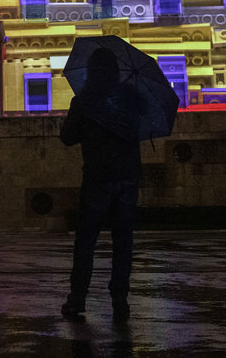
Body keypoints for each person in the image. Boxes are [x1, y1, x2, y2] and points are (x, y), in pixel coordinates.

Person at [60, 47, 139, 323]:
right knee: (123, 241)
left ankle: (78, 296)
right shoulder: (131, 96)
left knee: (86, 241)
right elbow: (140, 126)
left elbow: (67, 137)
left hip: (97, 177)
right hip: (128, 177)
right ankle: (120, 299)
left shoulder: (85, 100)